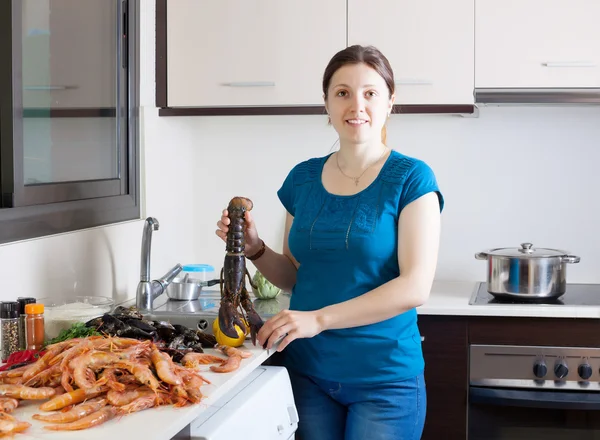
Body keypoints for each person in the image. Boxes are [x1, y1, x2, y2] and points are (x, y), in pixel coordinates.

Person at [215, 44, 444, 440]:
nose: (357, 105)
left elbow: (415, 287)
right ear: (327, 104)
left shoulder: (412, 179)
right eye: (343, 92)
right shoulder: (302, 179)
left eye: (370, 93)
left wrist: (317, 320)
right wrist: (255, 248)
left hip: (384, 380)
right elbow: (295, 277)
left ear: (390, 102)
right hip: (308, 373)